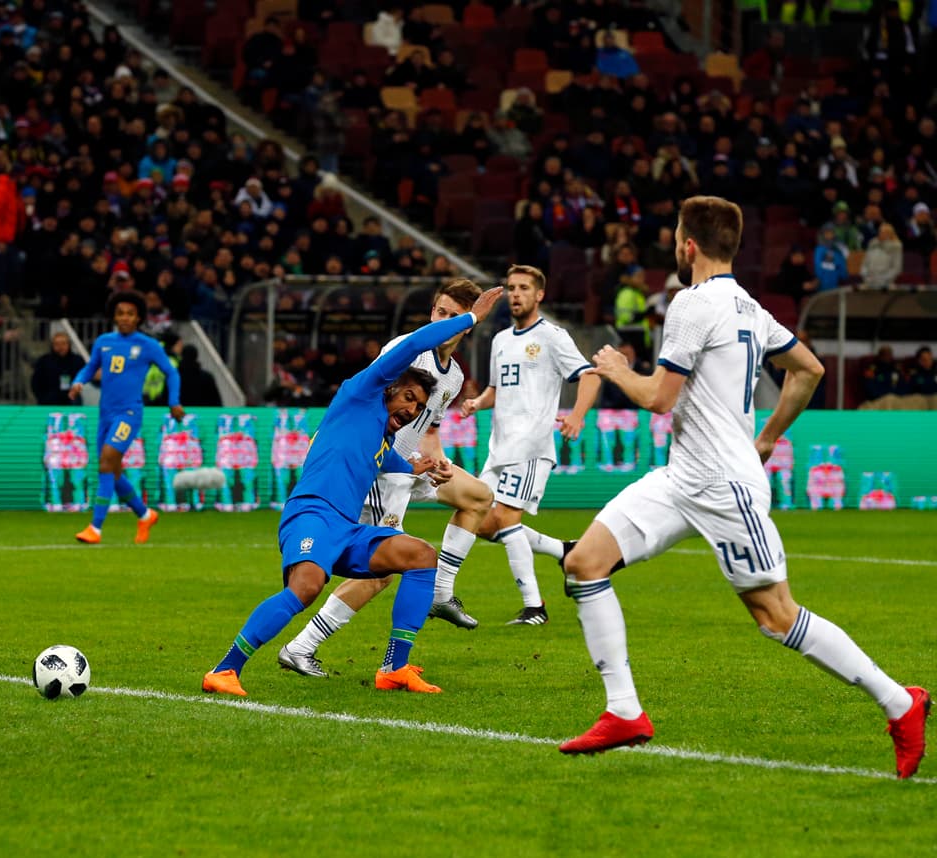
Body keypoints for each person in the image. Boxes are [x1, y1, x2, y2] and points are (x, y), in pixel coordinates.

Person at [558, 195, 929, 779]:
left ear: (687, 245)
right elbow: (809, 369)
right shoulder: (750, 306)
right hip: (683, 475)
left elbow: (659, 398)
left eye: (676, 238)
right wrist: (767, 437)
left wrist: (614, 367)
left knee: (775, 615)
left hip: (723, 486)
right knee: (585, 562)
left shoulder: (691, 302)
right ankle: (624, 712)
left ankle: (900, 703)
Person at [202, 285, 505, 697]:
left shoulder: (381, 436)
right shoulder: (359, 393)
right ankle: (225, 670)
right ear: (390, 386)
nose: (412, 412)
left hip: (345, 529)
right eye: (409, 399)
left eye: (419, 407)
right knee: (307, 587)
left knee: (419, 556)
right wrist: (471, 318)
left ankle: (395, 668)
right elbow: (417, 342)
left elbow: (384, 459)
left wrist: (421, 465)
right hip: (311, 514)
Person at [276, 279, 496, 679]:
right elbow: (365, 399)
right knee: (385, 570)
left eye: (452, 315)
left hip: (412, 467)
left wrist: (441, 462)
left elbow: (429, 430)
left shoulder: (454, 377)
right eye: (440, 312)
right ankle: (301, 646)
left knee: (479, 496)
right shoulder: (406, 348)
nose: (442, 319)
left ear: (465, 329)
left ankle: (441, 594)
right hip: (381, 470)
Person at [461, 265, 600, 625]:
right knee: (481, 522)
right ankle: (565, 551)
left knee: (505, 518)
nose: (516, 294)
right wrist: (478, 402)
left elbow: (588, 376)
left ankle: (535, 608)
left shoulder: (553, 336)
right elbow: (497, 388)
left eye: (524, 288)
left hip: (532, 445)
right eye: (511, 288)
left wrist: (578, 415)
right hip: (500, 447)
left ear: (539, 295)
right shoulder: (501, 340)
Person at [69, 290, 183, 545]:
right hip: (105, 413)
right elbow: (90, 368)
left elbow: (171, 373)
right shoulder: (104, 342)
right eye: (120, 313)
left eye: (130, 313)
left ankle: (95, 528)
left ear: (139, 317)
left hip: (129, 413)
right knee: (113, 471)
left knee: (106, 462)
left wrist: (173, 401)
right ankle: (145, 514)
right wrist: (78, 382)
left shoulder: (148, 345)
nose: (125, 318)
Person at [32, 332, 87, 405]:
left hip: (72, 398)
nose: (60, 347)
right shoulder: (44, 361)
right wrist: (42, 397)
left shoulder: (77, 360)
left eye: (63, 343)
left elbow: (84, 379)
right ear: (52, 345)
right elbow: (35, 382)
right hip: (49, 400)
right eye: (57, 344)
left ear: (69, 344)